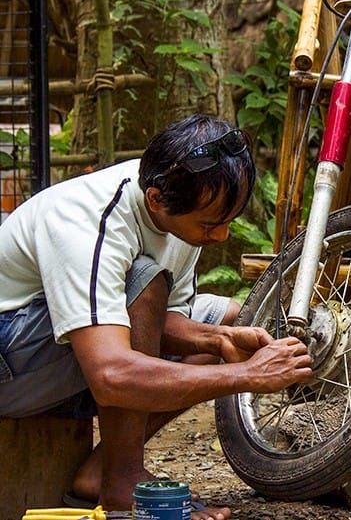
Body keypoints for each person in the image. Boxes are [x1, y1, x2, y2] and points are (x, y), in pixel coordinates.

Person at [0, 115, 313, 520]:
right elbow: (111, 373)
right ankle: (124, 483)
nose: (220, 236)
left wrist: (215, 341)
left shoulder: (178, 207)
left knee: (232, 321)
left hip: (55, 354)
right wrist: (248, 376)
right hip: (9, 363)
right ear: (155, 199)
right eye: (209, 224)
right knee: (144, 277)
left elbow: (164, 321)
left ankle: (101, 471)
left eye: (226, 221)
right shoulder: (90, 220)